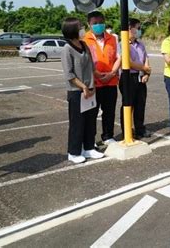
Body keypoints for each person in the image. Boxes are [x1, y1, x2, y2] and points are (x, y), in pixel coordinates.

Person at [61, 17, 104, 163]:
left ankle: (89, 148)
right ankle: (73, 152)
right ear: (72, 29)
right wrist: (83, 87)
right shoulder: (67, 49)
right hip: (77, 92)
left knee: (90, 121)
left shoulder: (84, 45)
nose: (82, 29)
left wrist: (102, 76)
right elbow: (69, 74)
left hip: (90, 90)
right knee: (77, 123)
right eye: (80, 27)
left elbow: (91, 67)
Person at [83, 11, 121, 145]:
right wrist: (97, 75)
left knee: (109, 111)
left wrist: (112, 73)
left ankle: (108, 136)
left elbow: (119, 58)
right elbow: (84, 62)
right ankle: (90, 140)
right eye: (95, 23)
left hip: (111, 82)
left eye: (101, 22)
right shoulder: (84, 40)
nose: (98, 25)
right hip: (94, 83)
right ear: (89, 24)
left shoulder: (113, 39)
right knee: (91, 113)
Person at [119, 18, 152, 139]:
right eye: (137, 28)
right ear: (129, 28)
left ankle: (140, 129)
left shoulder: (140, 44)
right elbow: (129, 62)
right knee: (128, 104)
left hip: (140, 77)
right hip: (128, 77)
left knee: (140, 104)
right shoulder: (122, 44)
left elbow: (146, 59)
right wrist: (144, 68)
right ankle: (126, 131)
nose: (139, 30)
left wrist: (146, 73)